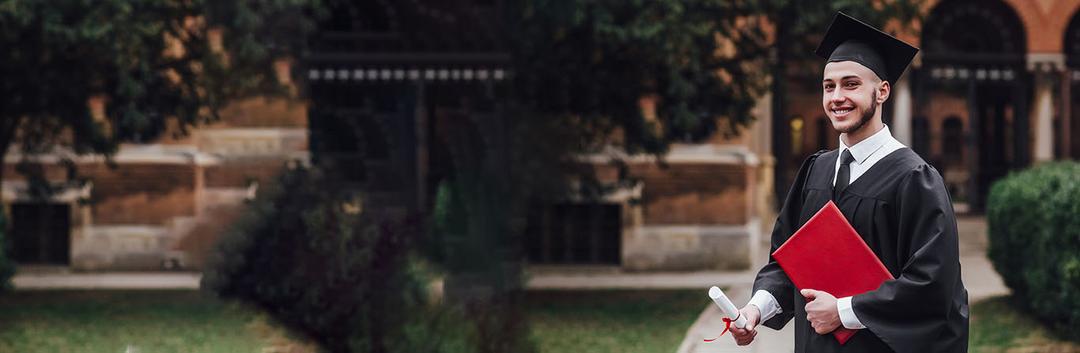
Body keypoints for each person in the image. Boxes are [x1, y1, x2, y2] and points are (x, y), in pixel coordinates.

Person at [729, 12, 969, 353]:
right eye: (829, 86)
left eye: (851, 84)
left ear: (882, 91)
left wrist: (844, 311)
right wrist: (754, 310)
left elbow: (932, 285)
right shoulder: (815, 171)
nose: (837, 97)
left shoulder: (914, 179)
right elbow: (787, 264)